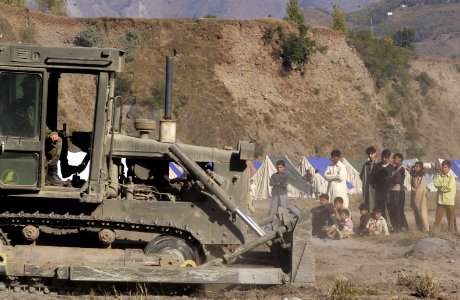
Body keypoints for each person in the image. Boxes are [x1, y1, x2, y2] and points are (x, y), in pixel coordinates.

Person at [16, 76, 67, 186]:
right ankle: (48, 175)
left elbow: (40, 125)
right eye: (27, 89)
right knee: (54, 142)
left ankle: (52, 173)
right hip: (23, 139)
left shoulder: (35, 106)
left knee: (58, 140)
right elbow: (30, 127)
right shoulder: (20, 107)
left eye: (31, 89)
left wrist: (51, 134)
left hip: (33, 136)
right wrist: (48, 134)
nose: (29, 91)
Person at [433, 160, 457, 233]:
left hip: (449, 200)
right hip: (440, 200)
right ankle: (435, 232)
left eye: (445, 167)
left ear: (449, 168)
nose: (444, 169)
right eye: (443, 167)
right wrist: (443, 186)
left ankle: (452, 232)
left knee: (451, 218)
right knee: (438, 217)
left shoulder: (452, 177)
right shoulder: (438, 176)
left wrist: (441, 186)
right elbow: (436, 185)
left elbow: (449, 187)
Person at [388, 153, 408, 231]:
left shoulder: (401, 168)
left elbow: (397, 180)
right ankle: (398, 227)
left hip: (398, 192)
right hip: (394, 191)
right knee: (394, 210)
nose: (393, 160)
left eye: (395, 158)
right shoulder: (396, 168)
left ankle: (403, 227)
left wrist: (390, 179)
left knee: (399, 210)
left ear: (400, 159)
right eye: (393, 158)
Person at [370, 149, 392, 222]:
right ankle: (381, 225)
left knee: (390, 209)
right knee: (380, 209)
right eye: (383, 157)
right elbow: (371, 179)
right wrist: (375, 186)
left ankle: (393, 226)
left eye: (386, 157)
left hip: (389, 192)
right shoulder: (376, 167)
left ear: (388, 158)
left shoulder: (391, 168)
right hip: (379, 192)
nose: (384, 159)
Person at [266, 160, 288, 230]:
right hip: (275, 195)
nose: (279, 169)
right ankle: (268, 227)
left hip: (283, 195)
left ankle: (283, 227)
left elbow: (284, 185)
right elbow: (271, 183)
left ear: (284, 167)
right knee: (272, 211)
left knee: (283, 212)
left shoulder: (286, 176)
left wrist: (277, 183)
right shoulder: (274, 175)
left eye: (281, 167)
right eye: (278, 167)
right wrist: (279, 183)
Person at [410, 161, 429, 232]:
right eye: (415, 166)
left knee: (422, 214)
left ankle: (426, 229)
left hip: (421, 198)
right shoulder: (414, 175)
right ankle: (419, 229)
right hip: (414, 198)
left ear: (421, 168)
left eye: (417, 167)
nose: (415, 168)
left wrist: (418, 199)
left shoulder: (421, 176)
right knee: (416, 214)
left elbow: (420, 189)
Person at [360, 146, 377, 212]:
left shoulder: (378, 164)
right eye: (369, 154)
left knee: (376, 206)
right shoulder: (366, 165)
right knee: (367, 207)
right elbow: (361, 176)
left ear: (375, 153)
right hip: (367, 190)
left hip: (376, 190)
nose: (370, 156)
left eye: (372, 154)